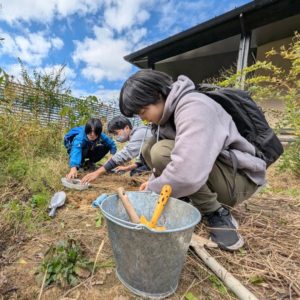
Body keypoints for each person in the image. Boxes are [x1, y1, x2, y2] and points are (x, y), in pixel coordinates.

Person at [118, 69, 267, 251]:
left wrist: (153, 189)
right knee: (150, 146)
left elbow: (186, 172)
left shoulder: (194, 107)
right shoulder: (164, 120)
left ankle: (216, 212)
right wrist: (153, 181)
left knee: (160, 151)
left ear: (158, 95)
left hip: (237, 180)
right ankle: (189, 199)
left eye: (143, 111)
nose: (142, 118)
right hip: (215, 174)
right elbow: (165, 166)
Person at [81, 115, 152, 183]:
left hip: (159, 163)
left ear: (127, 128)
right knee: (135, 172)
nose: (116, 136)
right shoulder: (137, 134)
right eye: (114, 134)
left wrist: (97, 172)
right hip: (154, 161)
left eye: (116, 133)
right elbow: (142, 159)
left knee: (136, 174)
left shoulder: (139, 134)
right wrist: (127, 168)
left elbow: (125, 154)